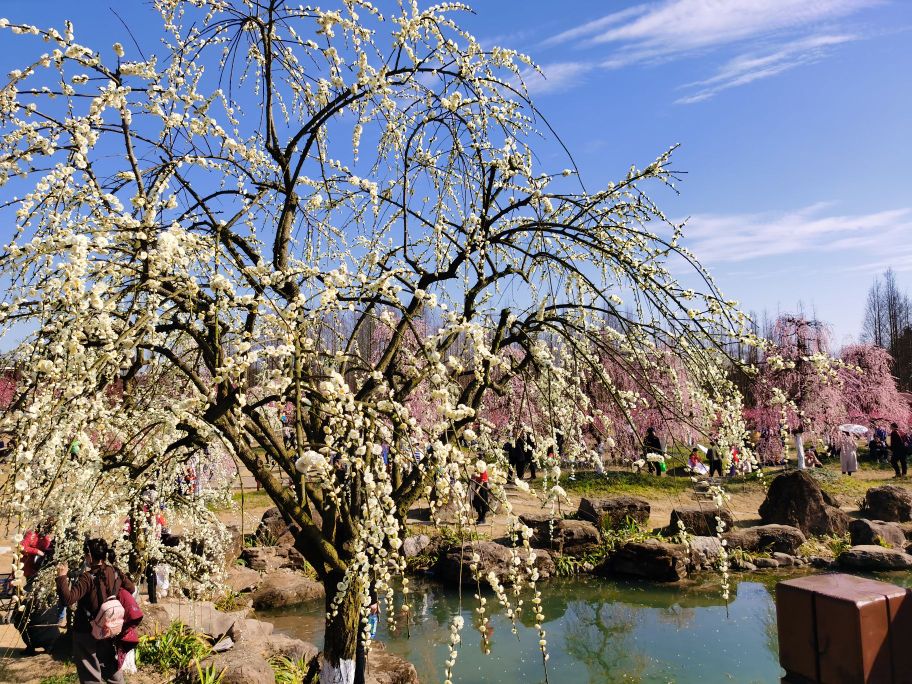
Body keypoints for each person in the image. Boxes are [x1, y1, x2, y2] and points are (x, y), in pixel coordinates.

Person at [57, 538, 135, 684]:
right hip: (109, 629)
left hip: (86, 631)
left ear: (90, 556)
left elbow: (67, 600)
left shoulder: (87, 577)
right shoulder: (115, 572)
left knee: (90, 674)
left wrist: (62, 577)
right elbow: (132, 590)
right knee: (111, 668)